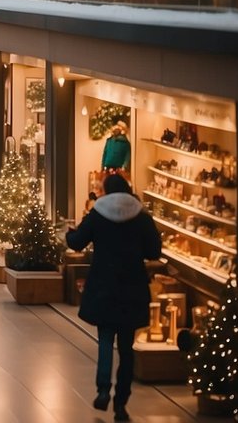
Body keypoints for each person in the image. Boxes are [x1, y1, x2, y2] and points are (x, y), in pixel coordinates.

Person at [65, 173, 161, 422]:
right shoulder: (141, 217)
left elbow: (76, 243)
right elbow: (154, 251)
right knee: (127, 348)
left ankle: (103, 390)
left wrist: (69, 232)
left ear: (106, 190)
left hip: (104, 287)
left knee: (105, 341)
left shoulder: (98, 214)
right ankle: (121, 403)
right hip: (132, 288)